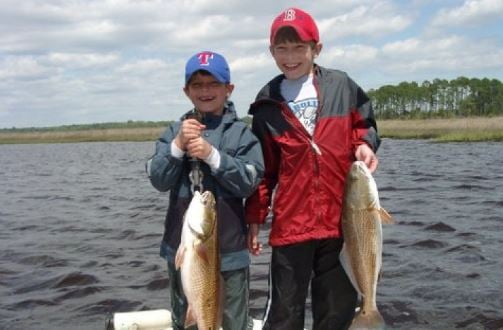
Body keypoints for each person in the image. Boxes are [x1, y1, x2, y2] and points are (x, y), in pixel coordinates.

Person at [245, 8, 381, 330]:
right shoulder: (267, 104)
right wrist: (254, 218)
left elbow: (364, 126)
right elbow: (264, 172)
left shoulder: (342, 86)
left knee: (336, 311)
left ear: (316, 49)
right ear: (272, 52)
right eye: (282, 49)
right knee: (284, 314)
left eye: (298, 48)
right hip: (292, 225)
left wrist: (364, 144)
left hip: (342, 224)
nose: (290, 57)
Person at [146, 50, 264, 330]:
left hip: (231, 250)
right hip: (183, 248)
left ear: (228, 89)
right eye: (197, 85)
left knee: (235, 320)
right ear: (186, 91)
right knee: (185, 318)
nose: (206, 91)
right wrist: (176, 146)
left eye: (213, 84)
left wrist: (214, 156)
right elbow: (158, 179)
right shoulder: (175, 130)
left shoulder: (242, 134)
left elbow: (250, 180)